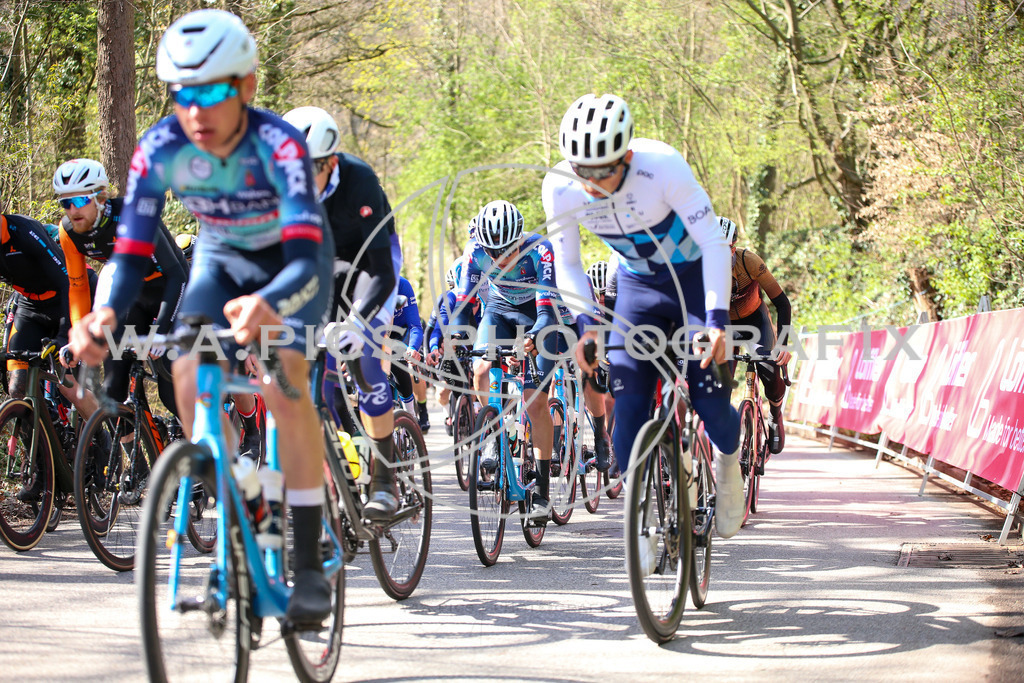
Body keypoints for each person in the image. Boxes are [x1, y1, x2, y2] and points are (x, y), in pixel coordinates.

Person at [69, 9, 334, 627]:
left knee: (283, 381)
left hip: (290, 265)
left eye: (211, 90)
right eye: (182, 92)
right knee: (188, 375)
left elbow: (302, 255)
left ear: (245, 86)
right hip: (217, 259)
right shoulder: (160, 146)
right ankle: (244, 490)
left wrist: (272, 303)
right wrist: (104, 313)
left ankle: (310, 561)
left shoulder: (279, 145)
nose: (195, 110)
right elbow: (131, 253)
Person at [543, 93, 744, 538]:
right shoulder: (559, 186)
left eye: (605, 171)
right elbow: (569, 264)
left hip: (692, 283)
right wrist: (585, 327)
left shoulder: (663, 166)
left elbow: (713, 243)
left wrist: (714, 322)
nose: (593, 184)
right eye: (584, 173)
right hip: (637, 289)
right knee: (628, 419)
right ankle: (644, 522)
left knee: (710, 401)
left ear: (628, 156)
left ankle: (729, 466)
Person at [281, 105, 404, 520]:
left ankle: (385, 481)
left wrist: (355, 323)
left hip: (370, 264)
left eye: (307, 168)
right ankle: (334, 467)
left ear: (329, 162)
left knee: (363, 358)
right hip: (317, 266)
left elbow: (381, 271)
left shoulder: (359, 180)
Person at [53, 158, 187, 420]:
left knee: (171, 394)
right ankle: (139, 455)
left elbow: (177, 276)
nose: (72, 210)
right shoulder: (68, 231)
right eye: (65, 203)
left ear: (100, 197)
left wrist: (161, 330)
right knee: (113, 392)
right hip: (134, 297)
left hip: (171, 291)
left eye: (80, 201)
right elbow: (78, 286)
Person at [451, 200, 557, 520]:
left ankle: (540, 491)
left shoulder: (540, 250)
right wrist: (456, 338)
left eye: (506, 250)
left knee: (534, 402)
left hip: (537, 315)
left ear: (519, 239)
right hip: (498, 311)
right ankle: (492, 434)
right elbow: (462, 301)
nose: (499, 259)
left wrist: (533, 339)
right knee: (481, 366)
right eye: (491, 252)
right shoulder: (474, 253)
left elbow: (546, 309)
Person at [720, 217, 792, 453]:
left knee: (768, 371)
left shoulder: (748, 261)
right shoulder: (700, 266)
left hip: (754, 320)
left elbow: (782, 303)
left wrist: (782, 343)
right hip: (723, 324)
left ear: (734, 246)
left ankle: (774, 414)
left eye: (725, 248)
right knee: (721, 383)